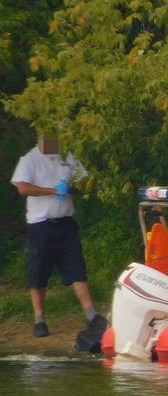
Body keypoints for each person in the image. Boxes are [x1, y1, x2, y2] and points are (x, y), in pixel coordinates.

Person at [10, 135, 107, 338]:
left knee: (76, 266)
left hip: (65, 222)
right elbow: (23, 187)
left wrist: (72, 188)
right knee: (39, 271)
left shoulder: (66, 156)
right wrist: (53, 190)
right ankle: (39, 319)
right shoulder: (29, 159)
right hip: (40, 223)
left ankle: (91, 315)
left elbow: (85, 181)